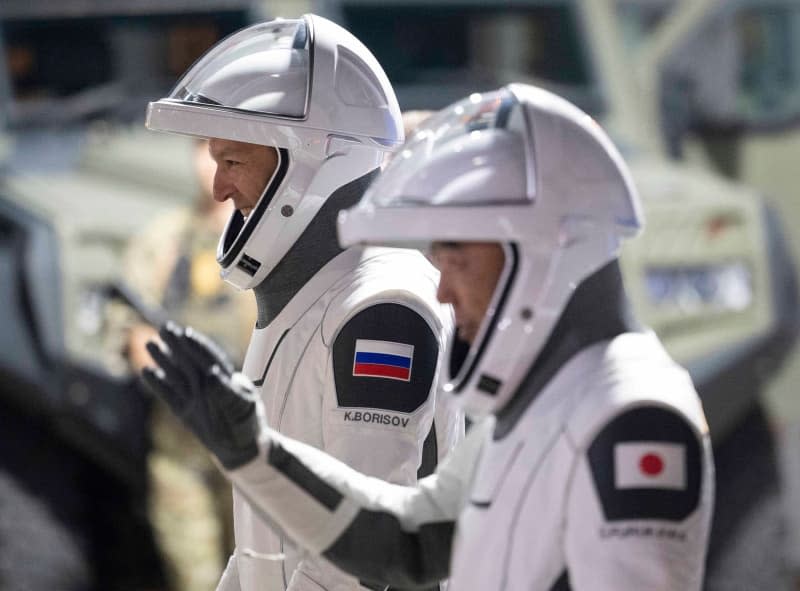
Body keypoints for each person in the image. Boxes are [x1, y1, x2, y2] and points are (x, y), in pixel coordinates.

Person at [144, 83, 715, 590]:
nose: (441, 291)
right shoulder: (542, 407)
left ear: (546, 250)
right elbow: (405, 540)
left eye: (458, 258)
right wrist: (254, 451)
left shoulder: (636, 418)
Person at [144, 14, 462, 591]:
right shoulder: (305, 302)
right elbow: (262, 553)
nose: (218, 188)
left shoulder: (382, 309)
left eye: (233, 160)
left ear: (309, 165)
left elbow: (361, 561)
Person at [105, 138, 255, 591]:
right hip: (181, 441)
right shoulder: (165, 238)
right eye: (202, 148)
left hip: (255, 438)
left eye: (223, 151)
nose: (210, 163)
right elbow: (130, 329)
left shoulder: (267, 238)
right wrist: (171, 365)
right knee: (196, 577)